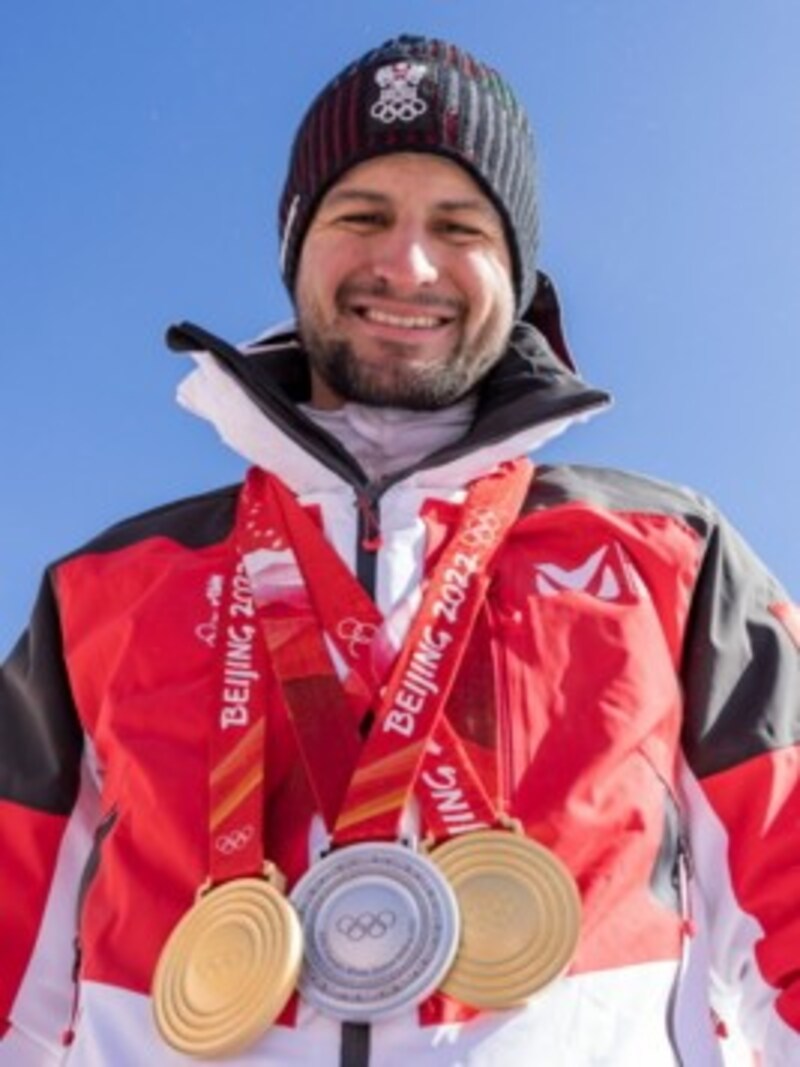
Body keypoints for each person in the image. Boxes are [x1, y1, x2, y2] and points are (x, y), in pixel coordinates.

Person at [1, 33, 798, 1067]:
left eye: (459, 226)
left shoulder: (668, 559)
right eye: (361, 216)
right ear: (296, 247)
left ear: (514, 270)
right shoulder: (104, 588)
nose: (406, 264)